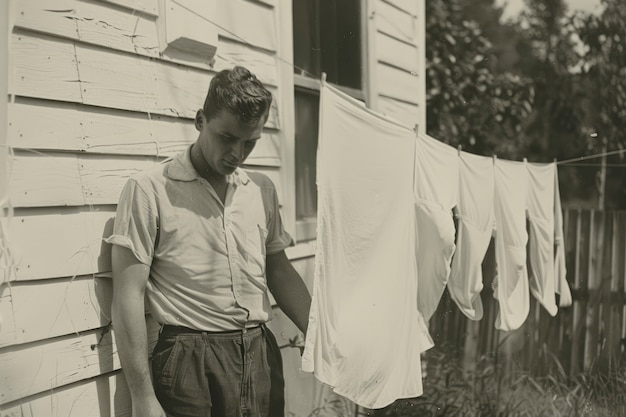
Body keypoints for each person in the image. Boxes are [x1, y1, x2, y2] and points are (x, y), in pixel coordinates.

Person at [108, 66, 311, 417]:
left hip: (259, 350)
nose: (237, 153)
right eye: (227, 137)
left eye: (250, 142)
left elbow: (278, 269)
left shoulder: (260, 190)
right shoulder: (150, 189)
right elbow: (128, 295)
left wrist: (319, 333)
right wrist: (142, 396)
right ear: (201, 120)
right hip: (190, 357)